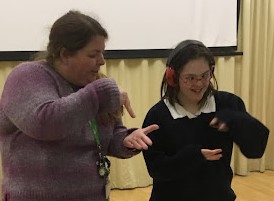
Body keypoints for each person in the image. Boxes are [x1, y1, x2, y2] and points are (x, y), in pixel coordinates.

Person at [0, 10, 159, 201]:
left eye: (102, 53)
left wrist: (125, 140)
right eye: (93, 54)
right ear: (65, 54)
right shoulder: (27, 76)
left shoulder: (95, 85)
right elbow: (46, 123)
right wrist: (102, 92)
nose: (101, 61)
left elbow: (108, 137)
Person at [142, 39, 269, 201]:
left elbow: (255, 150)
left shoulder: (228, 105)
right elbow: (157, 170)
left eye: (205, 75)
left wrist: (240, 122)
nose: (199, 83)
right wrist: (194, 156)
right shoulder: (158, 115)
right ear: (172, 77)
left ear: (212, 71)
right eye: (190, 78)